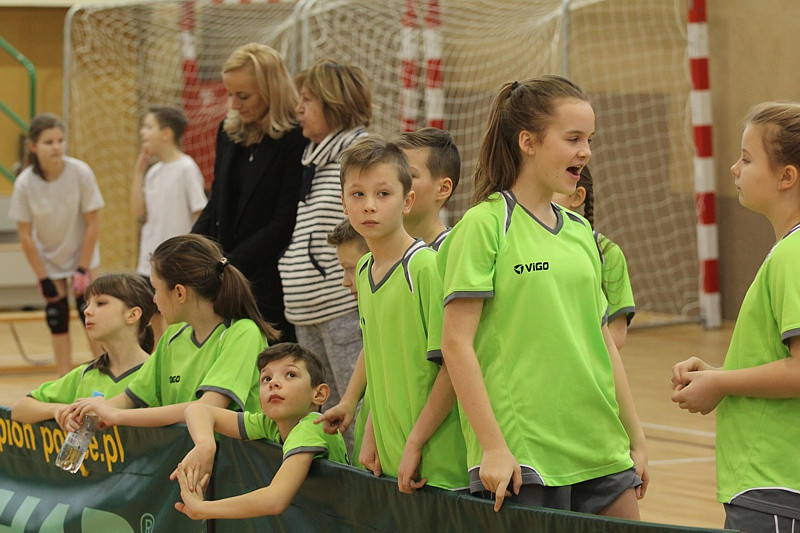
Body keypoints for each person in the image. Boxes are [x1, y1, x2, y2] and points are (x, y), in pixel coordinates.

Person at [437, 76, 647, 515]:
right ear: (528, 142)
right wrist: (493, 447)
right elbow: (455, 345)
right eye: (572, 138)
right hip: (524, 456)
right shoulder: (484, 225)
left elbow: (604, 341)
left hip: (601, 448)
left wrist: (635, 438)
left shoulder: (581, 233)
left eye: (589, 139)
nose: (585, 151)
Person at [671, 102, 800, 532]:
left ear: (787, 177)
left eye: (747, 159)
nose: (733, 169)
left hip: (776, 483)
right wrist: (719, 374)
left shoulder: (793, 256)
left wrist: (722, 382)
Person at [319, 137, 469, 493]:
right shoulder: (366, 269)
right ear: (343, 203)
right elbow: (379, 353)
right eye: (358, 195)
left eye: (383, 194)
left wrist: (416, 442)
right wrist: (369, 427)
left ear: (407, 200)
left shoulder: (425, 268)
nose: (369, 206)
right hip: (390, 458)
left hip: (438, 466)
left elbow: (453, 367)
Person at [60, 234, 277, 433]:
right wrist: (92, 410)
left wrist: (117, 415)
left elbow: (207, 408)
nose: (154, 299)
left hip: (236, 465)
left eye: (156, 289)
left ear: (180, 293)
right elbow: (129, 398)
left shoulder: (242, 333)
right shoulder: (174, 334)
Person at [192, 43, 306, 342]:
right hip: (230, 275)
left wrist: (228, 264)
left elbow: (284, 222)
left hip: (270, 280)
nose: (233, 105)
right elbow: (217, 202)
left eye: (243, 96)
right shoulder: (229, 132)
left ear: (271, 92)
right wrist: (190, 249)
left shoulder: (295, 137)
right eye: (229, 94)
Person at [278, 60, 371, 407]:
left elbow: (367, 233)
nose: (298, 109)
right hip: (305, 308)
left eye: (308, 100)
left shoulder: (360, 155)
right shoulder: (313, 159)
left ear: (335, 103)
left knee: (355, 412)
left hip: (341, 307)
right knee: (323, 416)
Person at [172, 342, 348, 520]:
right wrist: (205, 445)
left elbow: (275, 500)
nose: (274, 383)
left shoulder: (312, 426)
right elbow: (198, 410)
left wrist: (202, 508)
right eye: (266, 378)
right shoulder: (270, 423)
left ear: (319, 394)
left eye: (291, 375)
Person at [8, 113, 105, 376]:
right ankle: (63, 378)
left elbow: (92, 223)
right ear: (33, 146)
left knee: (92, 316)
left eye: (60, 140)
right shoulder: (26, 183)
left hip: (81, 258)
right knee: (57, 318)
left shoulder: (80, 172)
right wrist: (43, 277)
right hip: (50, 261)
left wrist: (83, 268)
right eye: (49, 142)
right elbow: (25, 235)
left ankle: (106, 375)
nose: (56, 147)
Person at [11, 273, 155, 424]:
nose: (87, 311)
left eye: (100, 303)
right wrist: (58, 410)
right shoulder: (86, 374)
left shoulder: (155, 372)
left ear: (133, 315)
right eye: (87, 304)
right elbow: (19, 409)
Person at [132, 106, 208, 342]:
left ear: (166, 133)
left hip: (176, 263)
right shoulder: (154, 171)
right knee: (151, 324)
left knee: (175, 325)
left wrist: (192, 257)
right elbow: (138, 211)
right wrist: (139, 170)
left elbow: (200, 213)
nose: (143, 133)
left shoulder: (186, 168)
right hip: (149, 261)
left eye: (148, 127)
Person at [552, 166, 635, 350]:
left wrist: (578, 356)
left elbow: (617, 335)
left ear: (576, 197)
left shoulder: (608, 253)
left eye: (549, 190)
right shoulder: (530, 247)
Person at [396, 127, 461, 250]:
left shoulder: (453, 253)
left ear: (443, 189)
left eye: (409, 175)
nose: (394, 182)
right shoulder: (375, 254)